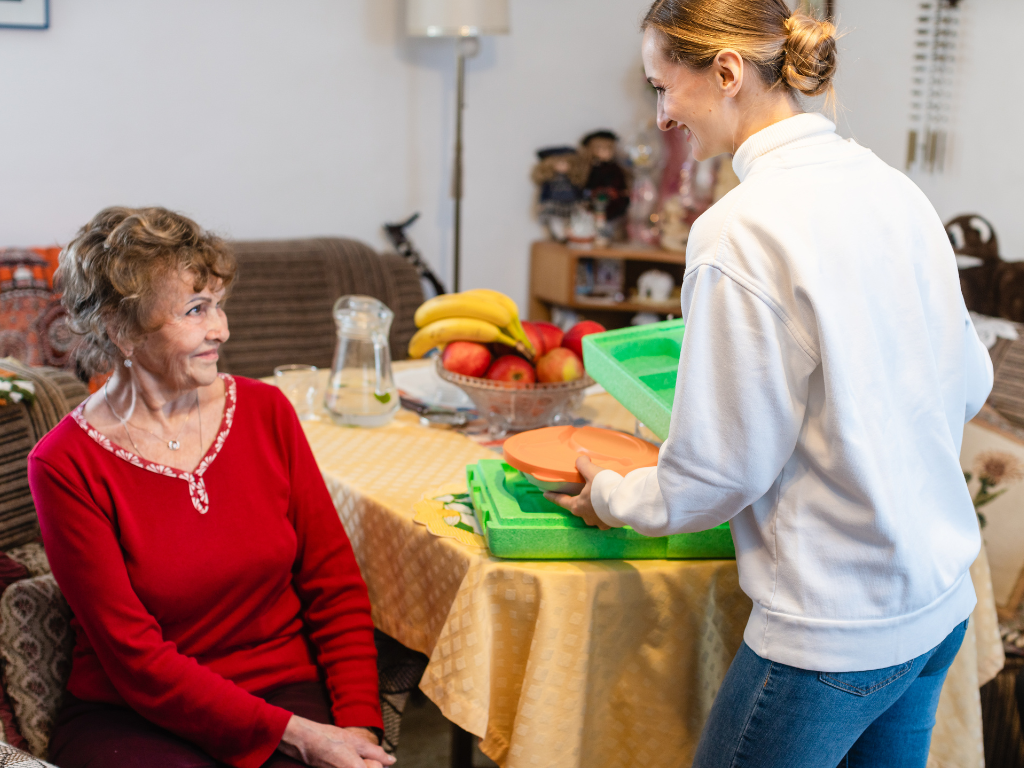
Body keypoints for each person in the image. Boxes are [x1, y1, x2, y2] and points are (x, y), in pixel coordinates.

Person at [546, 1, 994, 766]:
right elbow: (970, 381)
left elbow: (717, 475)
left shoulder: (740, 228)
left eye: (663, 87)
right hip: (936, 610)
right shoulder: (894, 188)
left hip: (834, 633)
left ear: (725, 73)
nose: (660, 116)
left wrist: (614, 492)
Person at [28, 207, 394, 768]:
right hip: (134, 712)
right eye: (196, 311)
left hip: (283, 687)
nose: (221, 329)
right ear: (120, 328)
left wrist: (358, 725)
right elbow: (135, 658)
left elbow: (334, 584)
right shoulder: (64, 464)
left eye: (218, 305)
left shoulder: (266, 411)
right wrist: (299, 736)